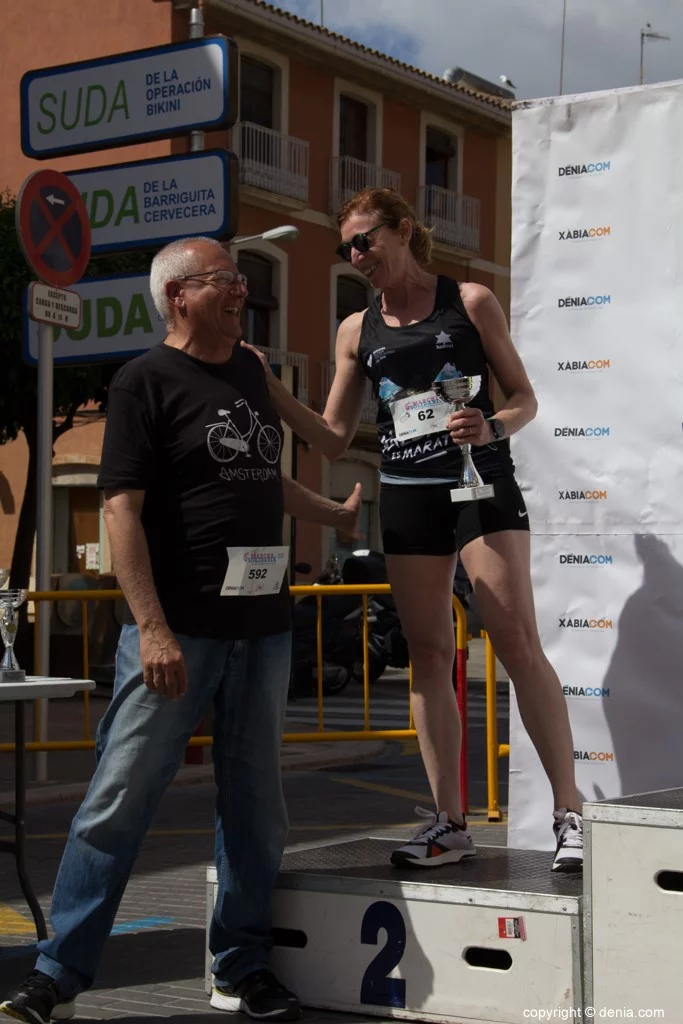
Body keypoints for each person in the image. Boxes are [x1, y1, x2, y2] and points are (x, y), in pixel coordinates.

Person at [0, 236, 363, 1024]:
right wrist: (152, 629)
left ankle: (241, 967)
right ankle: (57, 974)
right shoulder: (144, 381)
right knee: (118, 801)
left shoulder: (248, 371)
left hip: (263, 628)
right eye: (226, 281)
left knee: (257, 809)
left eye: (241, 280)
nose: (242, 291)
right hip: (179, 631)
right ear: (178, 296)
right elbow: (122, 511)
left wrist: (330, 513)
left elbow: (264, 473)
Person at [243, 188, 584, 875]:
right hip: (406, 493)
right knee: (428, 655)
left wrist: (491, 424)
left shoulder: (469, 302)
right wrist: (269, 387)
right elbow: (334, 438)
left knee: (514, 640)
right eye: (346, 249)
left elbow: (523, 398)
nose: (356, 257)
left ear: (402, 232)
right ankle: (448, 823)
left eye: (365, 241)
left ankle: (569, 813)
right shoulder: (354, 330)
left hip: (478, 482)